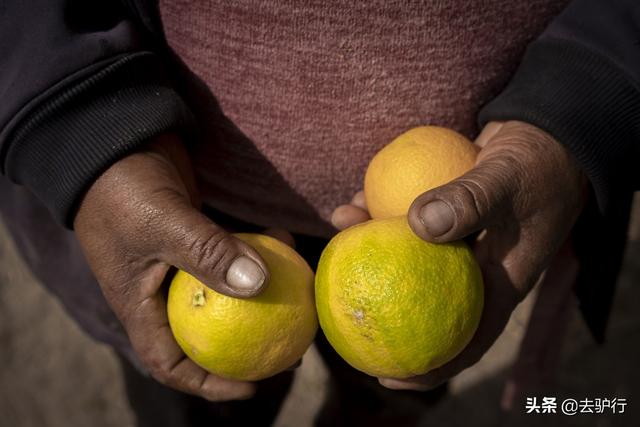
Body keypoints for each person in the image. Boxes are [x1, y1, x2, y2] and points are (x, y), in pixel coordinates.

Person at [1, 0, 638, 425]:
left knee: (390, 394)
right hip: (176, 205)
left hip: (452, 230)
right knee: (195, 405)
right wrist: (76, 121)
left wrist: (587, 89)